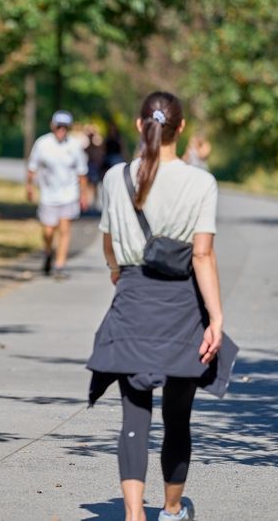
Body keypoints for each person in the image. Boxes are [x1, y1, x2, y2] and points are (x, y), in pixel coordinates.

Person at [87, 91, 236, 521]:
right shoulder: (201, 183)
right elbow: (203, 255)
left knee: (134, 416)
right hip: (182, 308)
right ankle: (171, 510)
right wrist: (217, 318)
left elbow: (109, 241)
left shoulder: (116, 178)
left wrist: (117, 270)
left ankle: (134, 515)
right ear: (181, 129)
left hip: (133, 301)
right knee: (177, 417)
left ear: (139, 125)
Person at [26, 110, 89, 278]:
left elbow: (82, 172)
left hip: (69, 194)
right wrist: (30, 187)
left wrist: (84, 194)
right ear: (53, 126)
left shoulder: (75, 146)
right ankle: (48, 253)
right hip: (48, 194)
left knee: (64, 230)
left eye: (65, 126)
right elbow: (32, 167)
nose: (62, 129)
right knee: (48, 231)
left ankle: (60, 265)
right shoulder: (42, 143)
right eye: (59, 126)